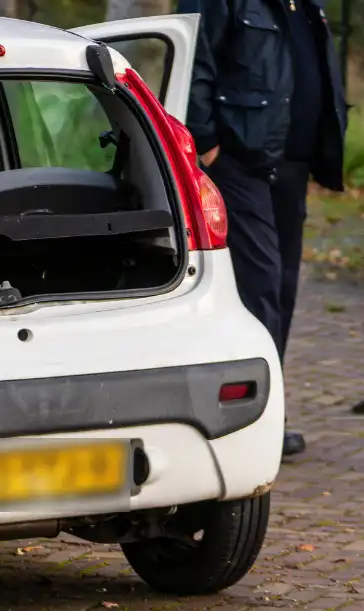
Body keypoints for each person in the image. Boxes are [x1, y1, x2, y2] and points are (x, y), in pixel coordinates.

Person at [178, 0, 347, 457]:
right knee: (260, 285)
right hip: (239, 164)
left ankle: (264, 409)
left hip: (288, 165)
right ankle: (256, 419)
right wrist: (208, 144)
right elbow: (195, 58)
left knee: (283, 288)